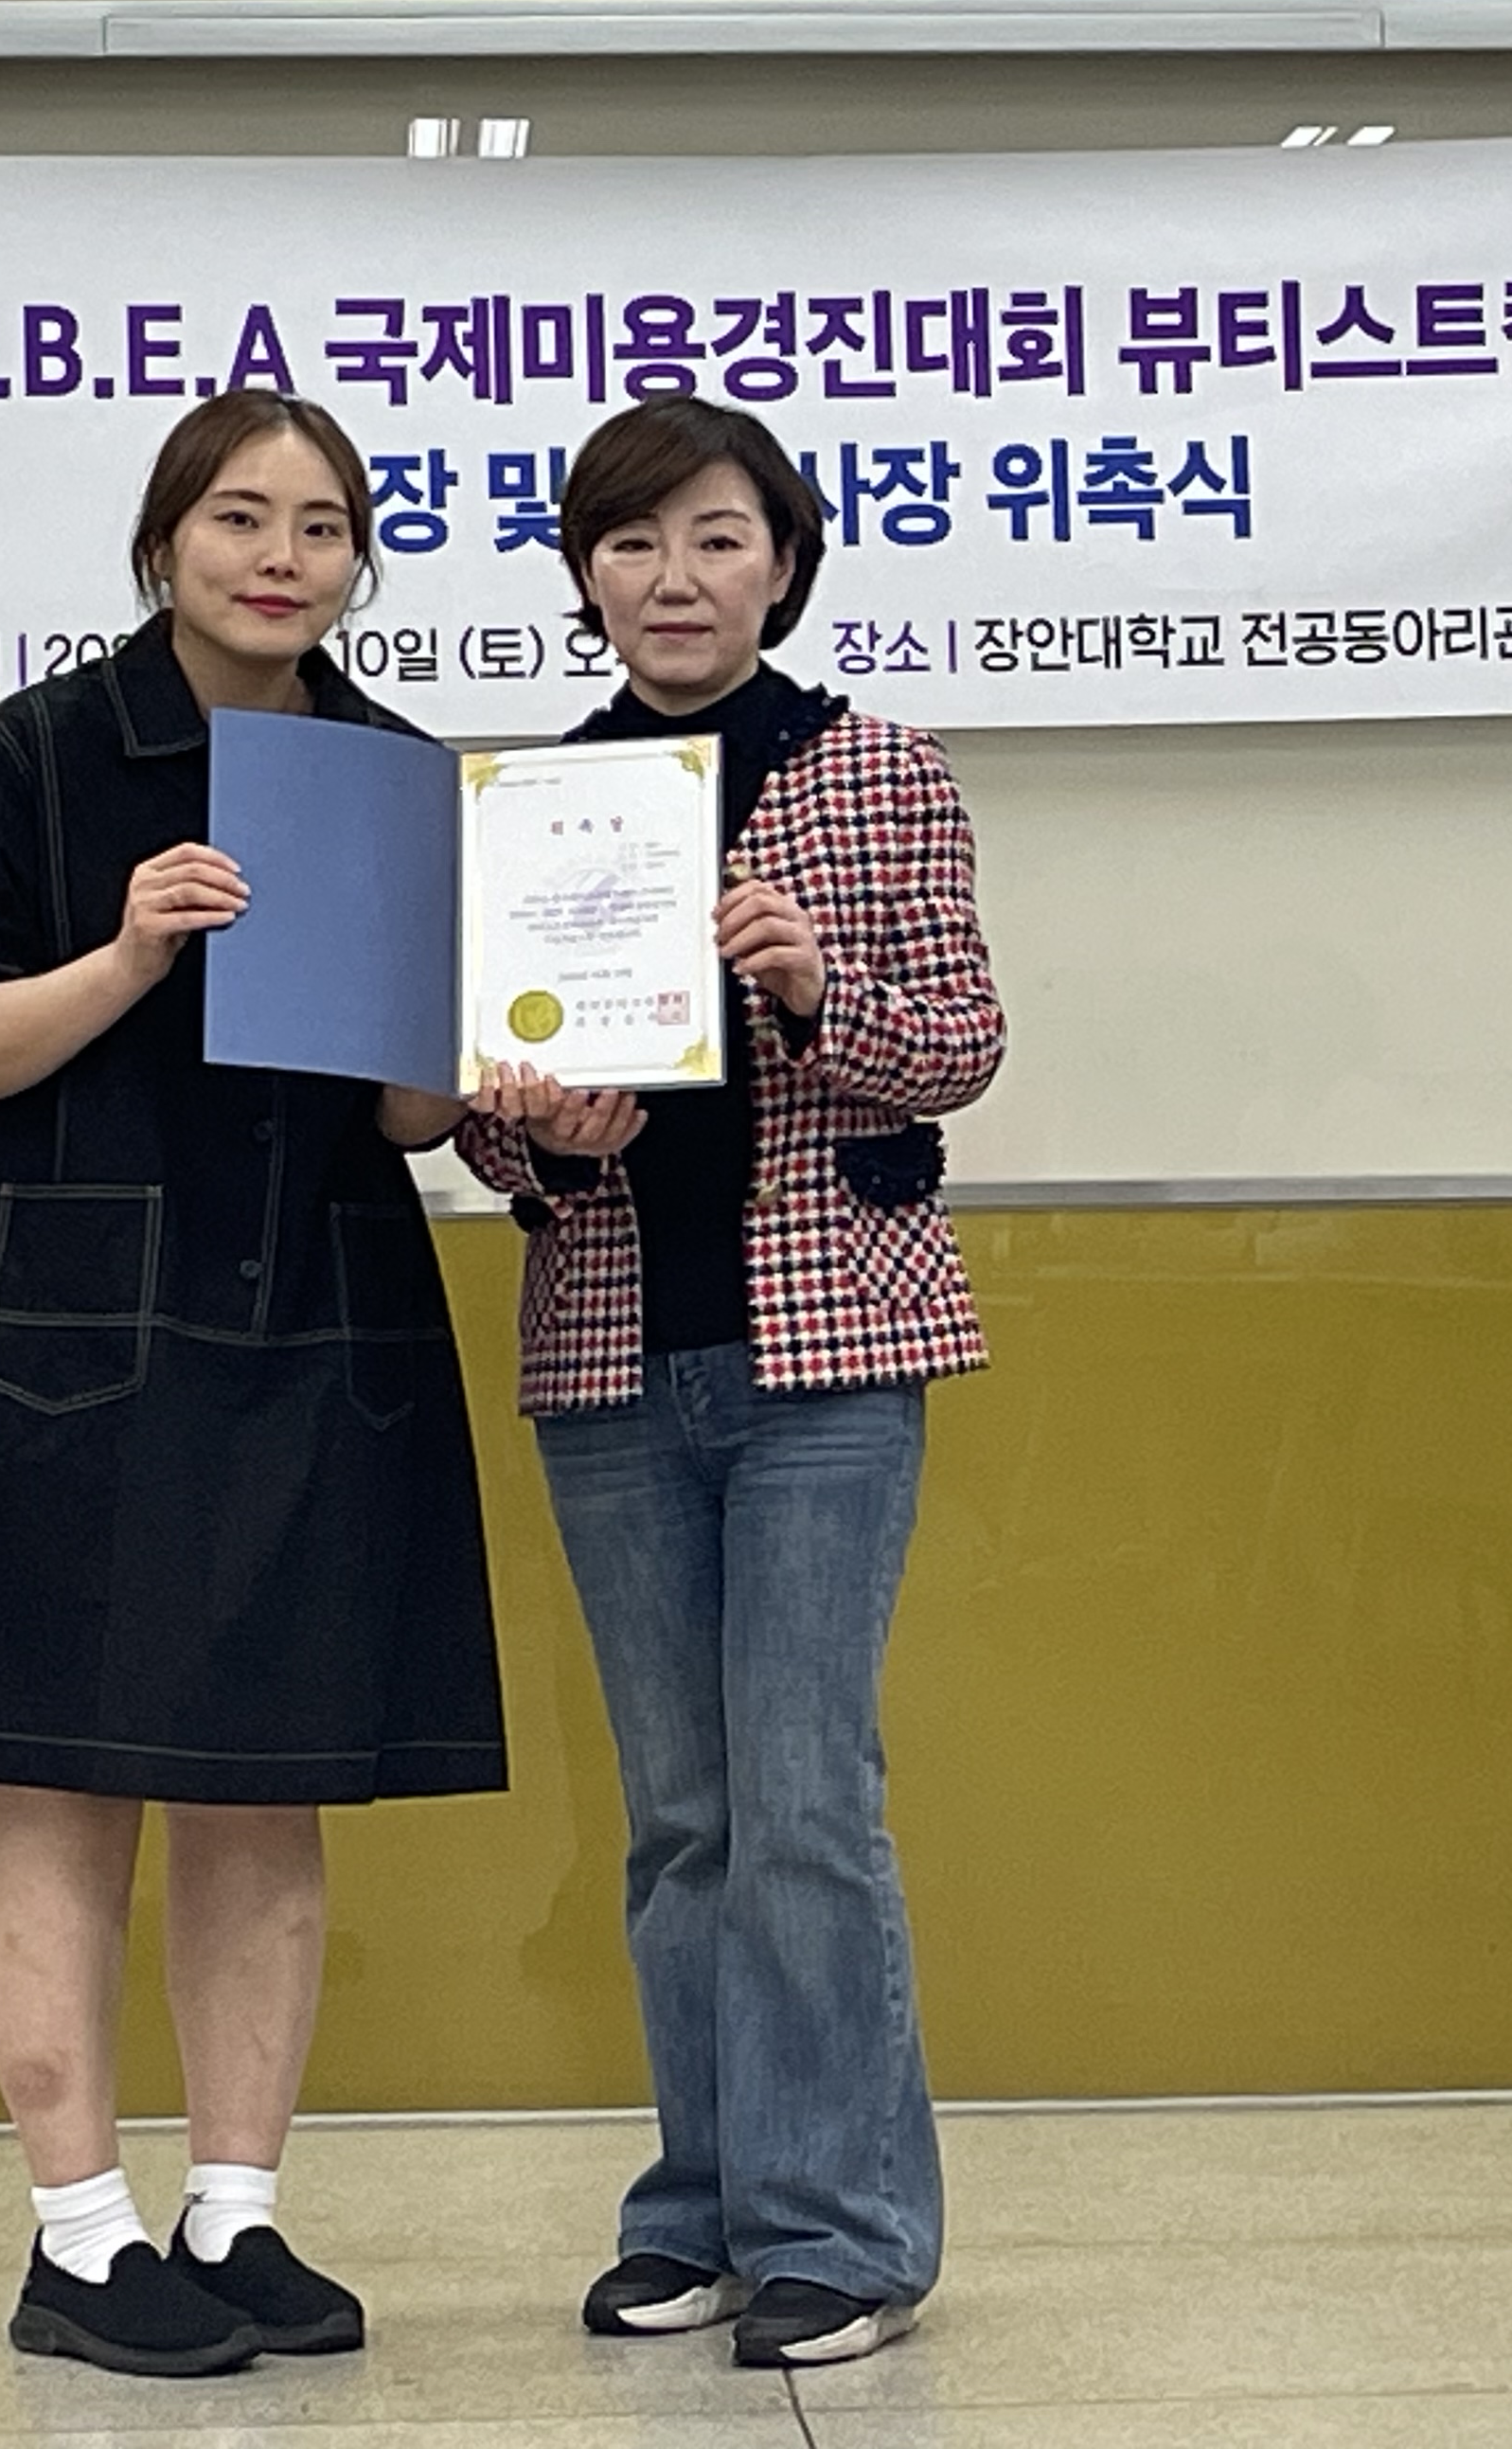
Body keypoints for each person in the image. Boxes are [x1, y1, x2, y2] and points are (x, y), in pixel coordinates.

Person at [0, 390, 506, 2379]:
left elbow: (404, 1113)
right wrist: (130, 953)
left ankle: (234, 2213)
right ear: (163, 543)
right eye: (238, 517)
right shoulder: (39, 754)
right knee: (58, 1776)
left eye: (321, 525)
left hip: (313, 1326)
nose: (280, 557)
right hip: (64, 1346)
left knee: (267, 1783)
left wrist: (484, 1039)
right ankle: (78, 2234)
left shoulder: (395, 778)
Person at [465, 394, 1005, 2369]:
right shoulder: (535, 802)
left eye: (714, 539)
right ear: (584, 578)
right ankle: (696, 2210)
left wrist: (811, 984)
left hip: (831, 1355)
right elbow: (487, 1124)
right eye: (630, 544)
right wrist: (536, 1131)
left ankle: (840, 2233)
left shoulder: (877, 768)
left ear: (783, 563)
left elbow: (960, 1046)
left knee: (803, 1803)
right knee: (682, 1816)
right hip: (612, 1354)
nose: (672, 578)